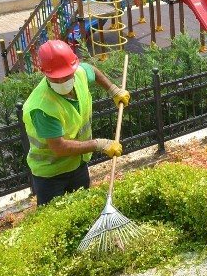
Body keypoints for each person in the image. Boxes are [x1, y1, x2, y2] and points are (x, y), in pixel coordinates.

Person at [22, 40, 130, 206]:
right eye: (57, 78)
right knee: (55, 221)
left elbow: (92, 70)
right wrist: (99, 144)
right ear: (45, 73)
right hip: (50, 175)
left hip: (77, 163)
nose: (62, 81)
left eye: (67, 76)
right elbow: (59, 147)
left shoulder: (78, 74)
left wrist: (113, 90)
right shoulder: (41, 107)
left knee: (82, 208)